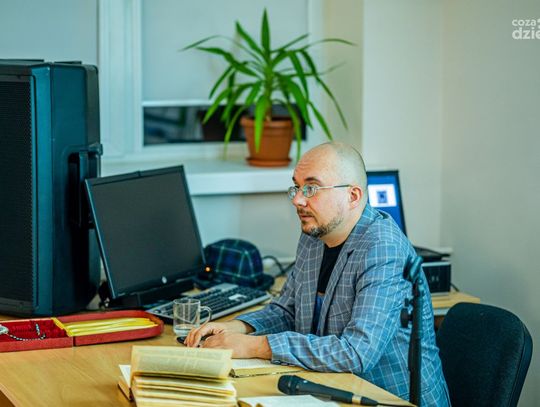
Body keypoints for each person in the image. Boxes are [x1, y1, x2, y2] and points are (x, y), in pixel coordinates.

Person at [185, 142, 450, 405]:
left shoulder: (383, 249)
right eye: (296, 187)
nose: (298, 200)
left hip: (389, 399)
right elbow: (287, 311)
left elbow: (357, 352)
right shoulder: (314, 236)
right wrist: (238, 327)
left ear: (353, 196)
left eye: (311, 188)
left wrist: (255, 345)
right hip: (333, 387)